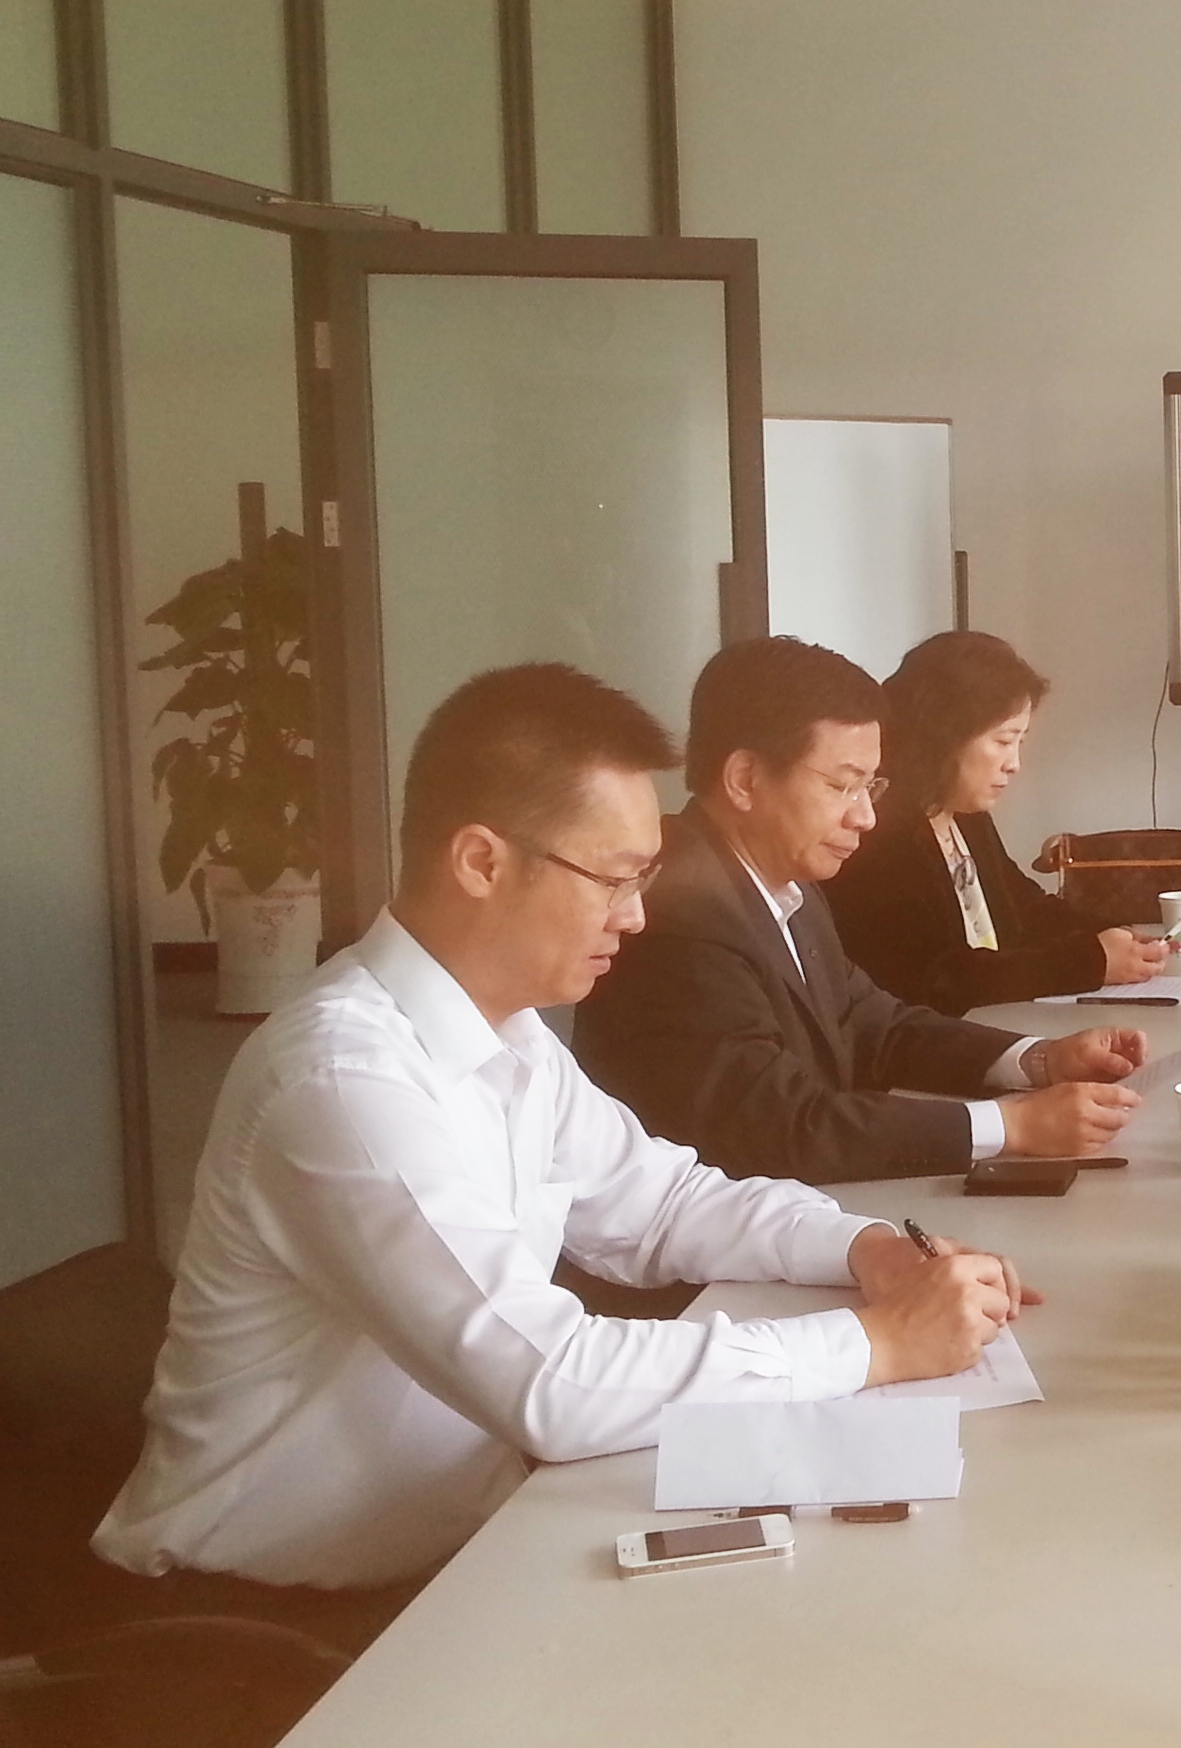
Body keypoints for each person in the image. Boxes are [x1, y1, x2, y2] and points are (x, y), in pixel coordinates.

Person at [94, 664, 1029, 1607]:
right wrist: (877, 1344)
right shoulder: (345, 1082)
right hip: (282, 1611)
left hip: (479, 1538)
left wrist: (864, 1247)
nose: (635, 913)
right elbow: (552, 1383)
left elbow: (662, 1205)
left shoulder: (510, 1035)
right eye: (613, 878)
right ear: (481, 862)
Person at [572, 637, 1141, 1184]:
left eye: (871, 787)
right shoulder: (679, 916)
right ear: (745, 779)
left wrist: (1040, 1060)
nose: (865, 817)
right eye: (842, 786)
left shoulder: (784, 883)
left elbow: (875, 1025)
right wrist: (1011, 1125)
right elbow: (782, 1125)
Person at [825, 631, 1167, 1014]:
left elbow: (1025, 909)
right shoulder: (876, 834)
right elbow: (933, 979)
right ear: (944, 735)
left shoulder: (964, 816)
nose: (1014, 764)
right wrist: (1089, 962)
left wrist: (1116, 934)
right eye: (1004, 741)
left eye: (1020, 742)